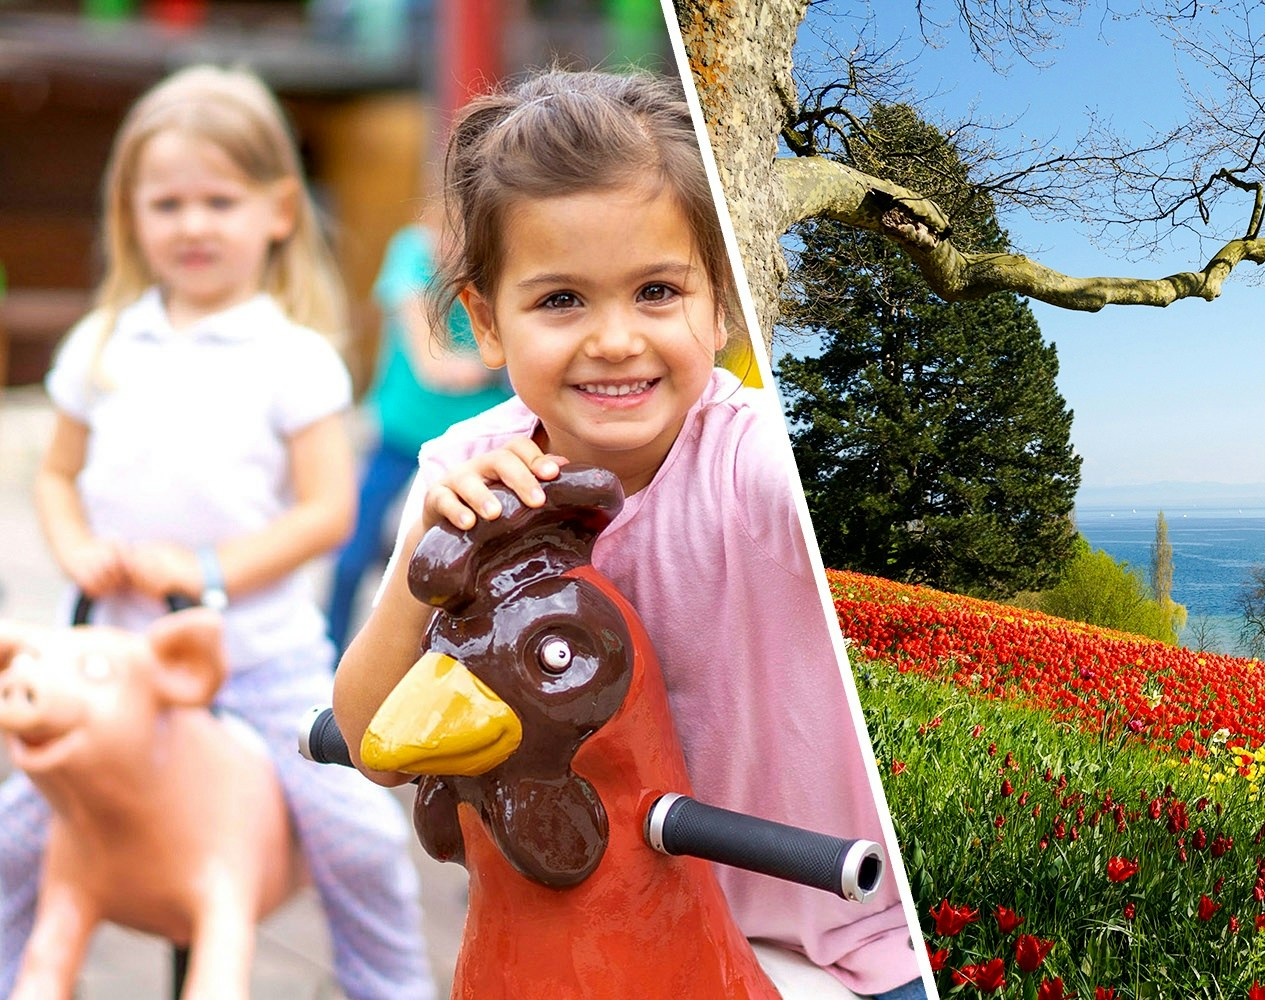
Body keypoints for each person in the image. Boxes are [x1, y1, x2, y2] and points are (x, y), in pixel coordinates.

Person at [331, 70, 930, 1000]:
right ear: (486, 321)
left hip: (842, 934)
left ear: (720, 307)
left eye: (657, 291)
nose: (615, 339)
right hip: (622, 932)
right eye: (561, 300)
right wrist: (430, 552)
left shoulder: (749, 464)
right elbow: (373, 739)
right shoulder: (468, 469)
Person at [9, 65, 435, 999]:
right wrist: (75, 544)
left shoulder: (295, 359)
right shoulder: (104, 344)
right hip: (115, 664)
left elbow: (325, 512)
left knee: (360, 841)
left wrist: (204, 569)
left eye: (219, 199)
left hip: (263, 664)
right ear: (132, 214)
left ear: (278, 209)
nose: (193, 224)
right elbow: (55, 473)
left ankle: (392, 988)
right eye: (167, 203)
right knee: (13, 838)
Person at [324, 198, 509, 653]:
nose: (448, 250)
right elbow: (433, 365)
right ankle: (330, 659)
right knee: (352, 557)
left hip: (473, 447)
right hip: (402, 433)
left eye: (460, 242)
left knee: (469, 572)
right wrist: (496, 367)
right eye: (442, 236)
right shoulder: (411, 253)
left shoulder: (498, 266)